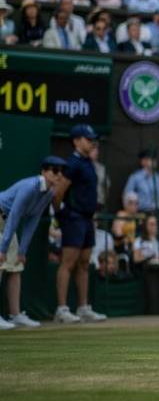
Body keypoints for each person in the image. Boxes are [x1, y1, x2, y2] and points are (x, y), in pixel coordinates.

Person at [0, 156, 67, 329]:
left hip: (6, 223)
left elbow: (33, 219)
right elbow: (15, 215)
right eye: (54, 171)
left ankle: (15, 315)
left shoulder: (49, 192)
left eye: (61, 172)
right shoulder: (30, 187)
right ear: (44, 172)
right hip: (3, 217)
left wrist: (22, 250)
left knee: (16, 266)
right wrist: (3, 248)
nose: (59, 175)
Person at [53, 125, 107, 323]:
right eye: (87, 138)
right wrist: (61, 215)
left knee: (84, 263)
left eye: (92, 138)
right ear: (76, 141)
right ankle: (61, 309)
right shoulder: (73, 163)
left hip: (87, 219)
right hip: (74, 218)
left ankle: (83, 307)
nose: (91, 141)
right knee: (68, 263)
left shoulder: (88, 163)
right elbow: (58, 192)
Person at [122, 149, 159, 213]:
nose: (154, 161)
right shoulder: (135, 177)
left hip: (157, 212)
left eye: (154, 159)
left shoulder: (157, 177)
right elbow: (126, 195)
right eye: (150, 159)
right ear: (143, 161)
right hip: (141, 211)